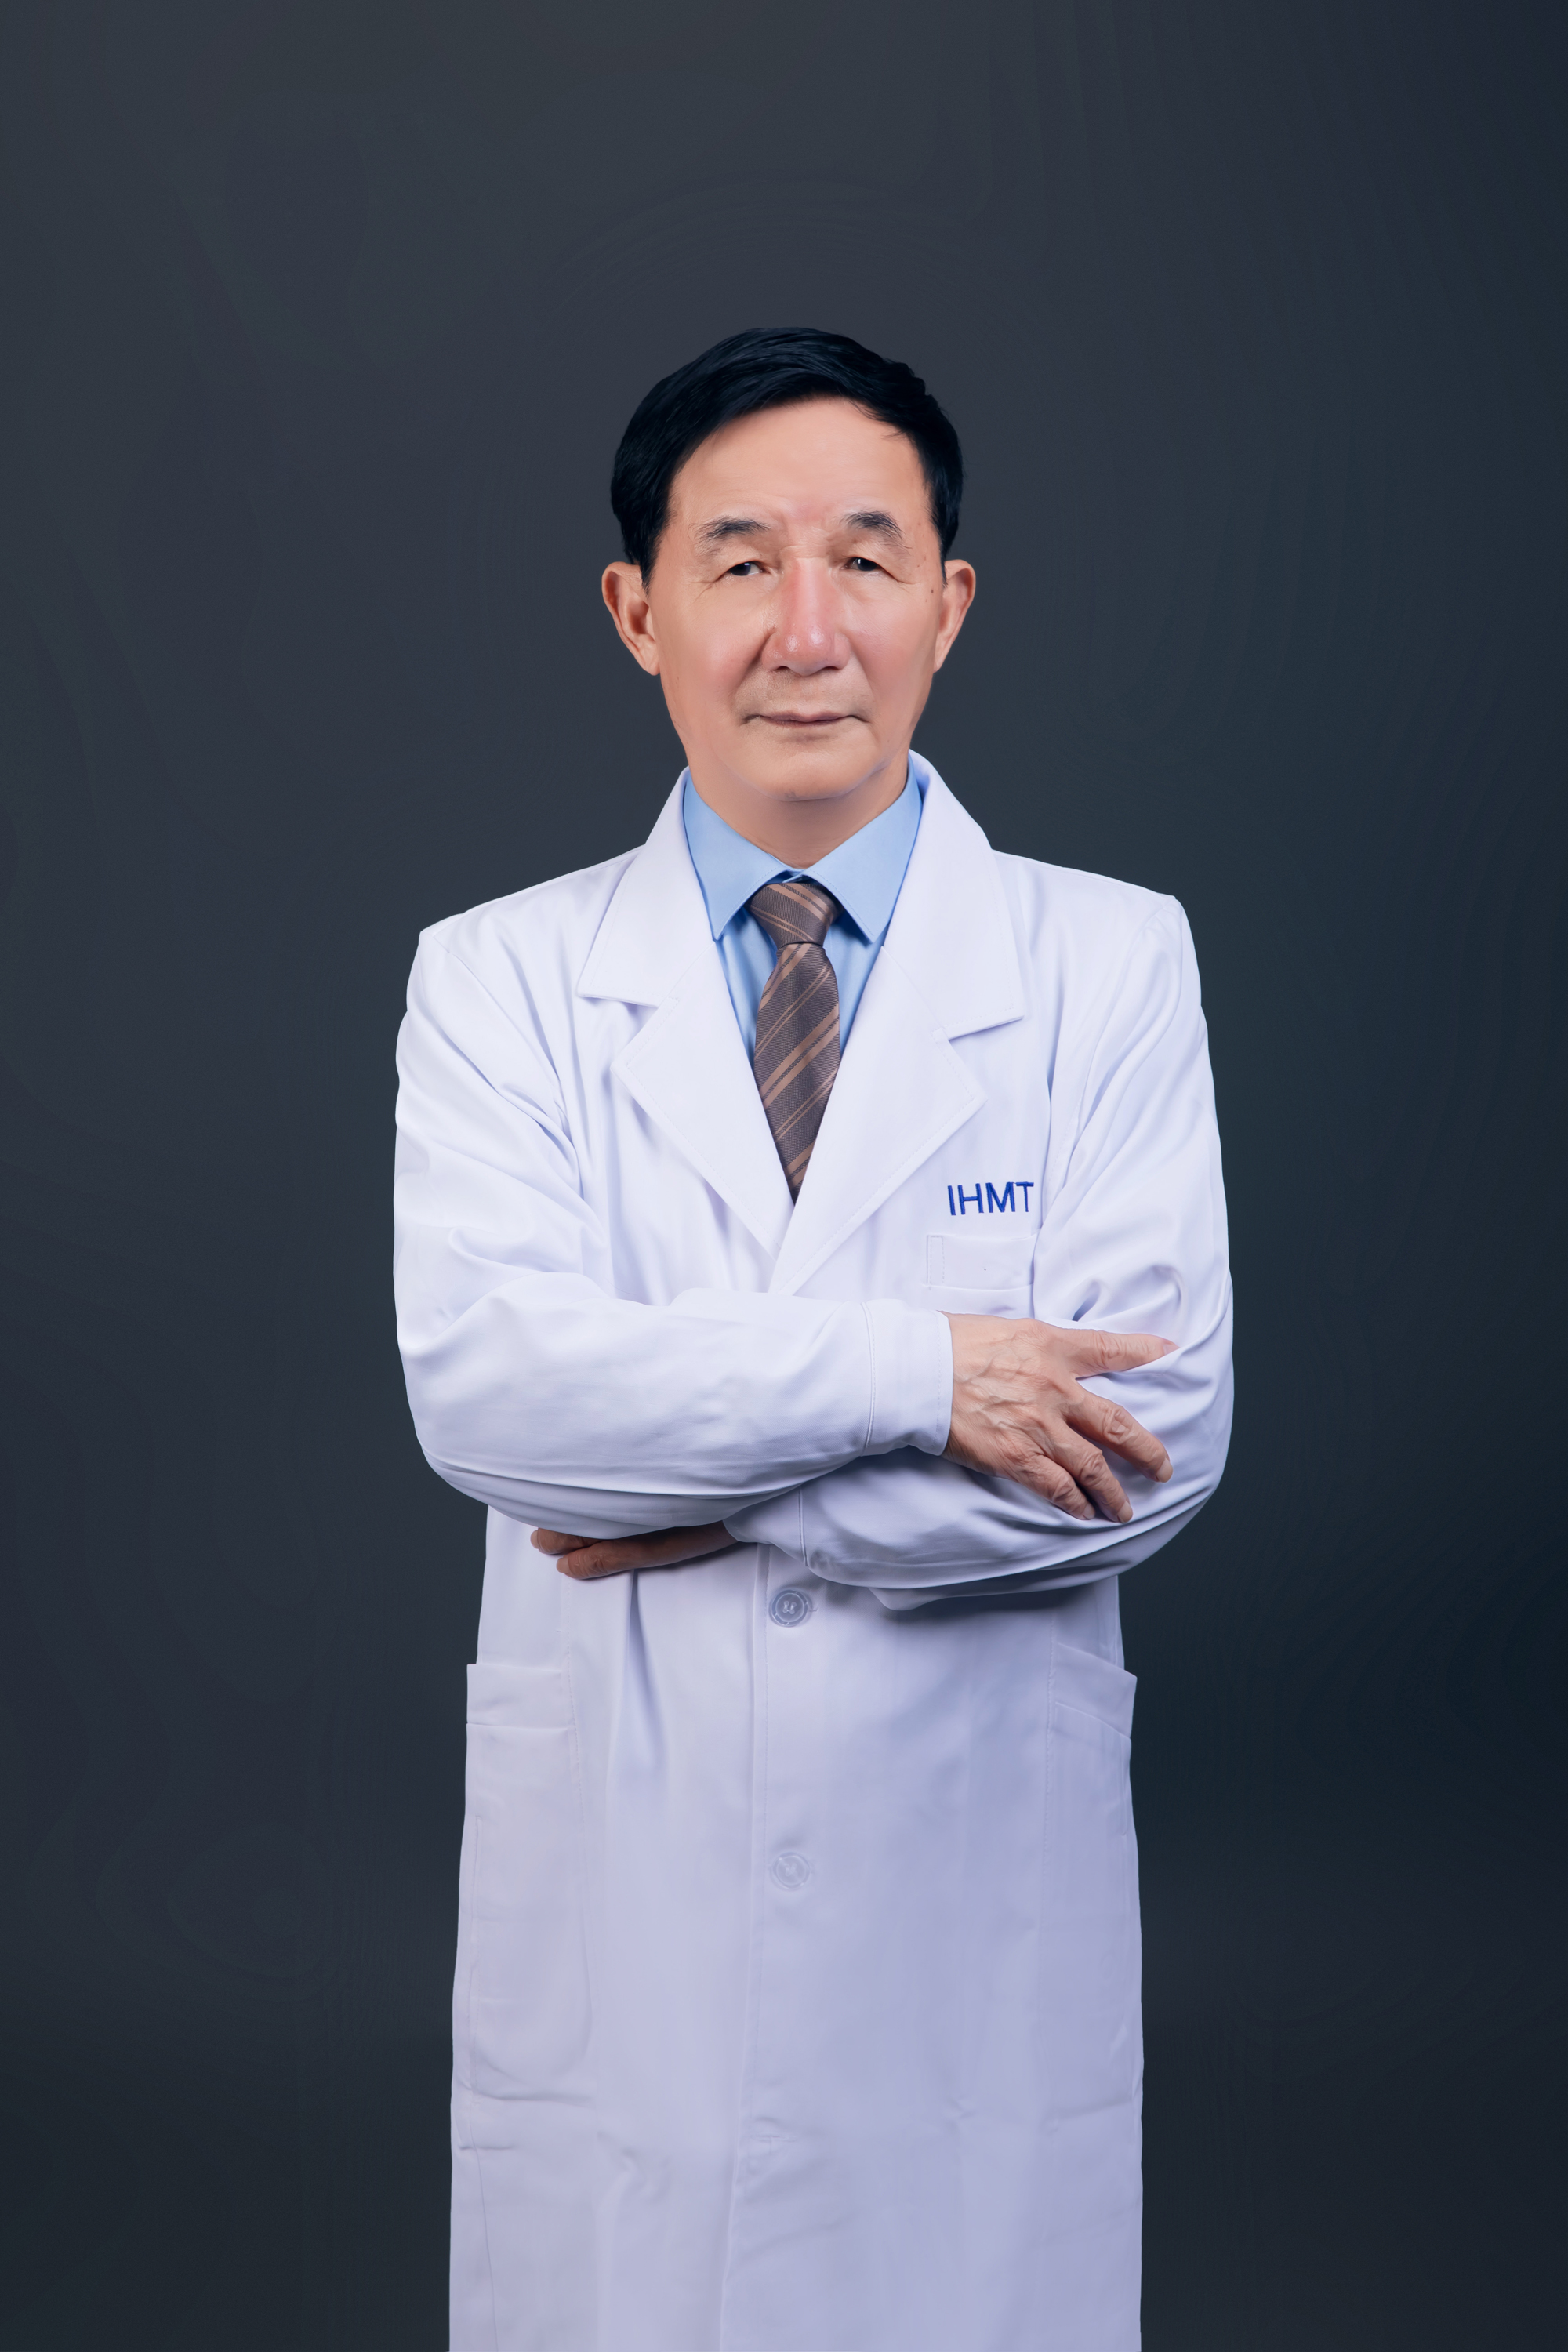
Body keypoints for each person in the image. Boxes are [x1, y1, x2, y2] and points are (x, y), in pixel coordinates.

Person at [394, 327, 1232, 2352]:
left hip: (963, 1927)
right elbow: (495, 1390)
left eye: (865, 559)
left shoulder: (1108, 962)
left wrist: (719, 1501)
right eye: (742, 562)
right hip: (632, 1928)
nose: (807, 629)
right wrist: (930, 1379)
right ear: (638, 612)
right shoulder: (499, 979)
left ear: (949, 603)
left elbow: (1153, 1441)